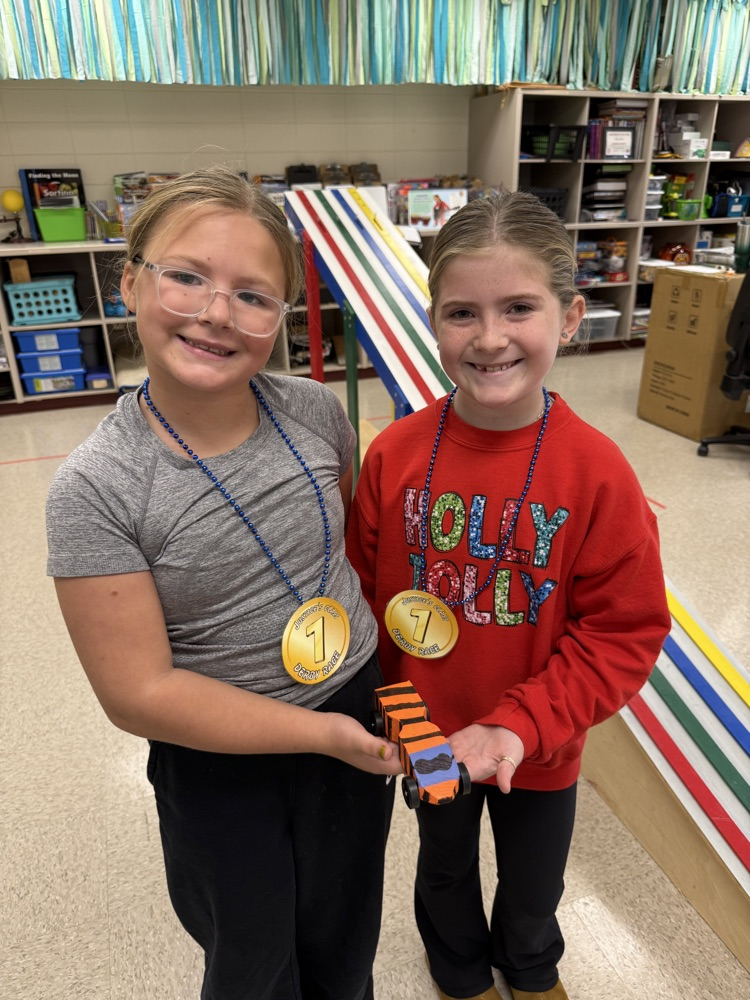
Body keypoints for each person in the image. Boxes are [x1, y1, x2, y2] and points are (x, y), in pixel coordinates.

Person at [46, 165, 402, 1000]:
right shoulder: (96, 488)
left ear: (280, 318)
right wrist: (318, 737)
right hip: (219, 759)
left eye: (253, 295)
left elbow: (347, 550)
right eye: (187, 277)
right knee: (251, 958)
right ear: (131, 281)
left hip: (353, 708)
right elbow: (137, 694)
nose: (215, 313)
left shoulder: (315, 412)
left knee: (346, 935)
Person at [346, 191, 671, 1000]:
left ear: (569, 318)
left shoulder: (597, 473)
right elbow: (358, 594)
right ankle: (459, 973)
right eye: (462, 312)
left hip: (544, 743)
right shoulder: (394, 455)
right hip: (424, 732)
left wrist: (520, 725)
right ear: (433, 320)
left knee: (534, 883)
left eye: (518, 308)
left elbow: (623, 634)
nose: (489, 337)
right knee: (444, 870)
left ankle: (530, 971)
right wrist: (369, 710)